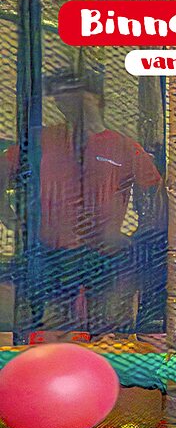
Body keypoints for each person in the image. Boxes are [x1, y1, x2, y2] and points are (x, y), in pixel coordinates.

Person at [0, 66, 165, 339]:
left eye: (74, 93)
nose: (66, 101)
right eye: (60, 95)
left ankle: (108, 357)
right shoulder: (42, 140)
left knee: (109, 333)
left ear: (95, 97)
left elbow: (156, 195)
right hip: (50, 257)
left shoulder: (124, 147)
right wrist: (9, 217)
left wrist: (138, 235)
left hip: (105, 258)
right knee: (52, 333)